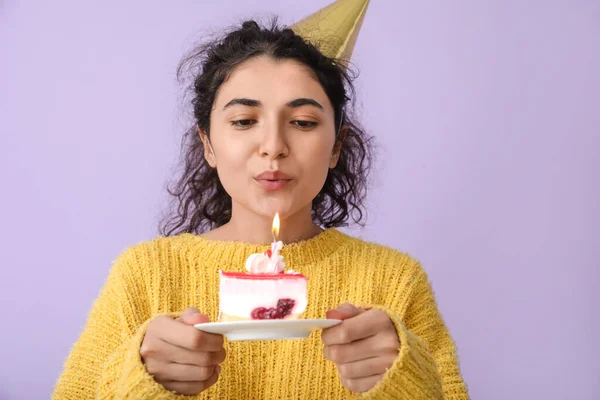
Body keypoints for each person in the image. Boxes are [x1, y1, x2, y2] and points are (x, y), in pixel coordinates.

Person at [53, 0, 469, 398]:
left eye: (303, 122)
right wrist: (140, 381)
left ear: (337, 146)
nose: (273, 146)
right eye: (244, 121)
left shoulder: (395, 281)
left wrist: (404, 383)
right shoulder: (143, 276)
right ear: (208, 145)